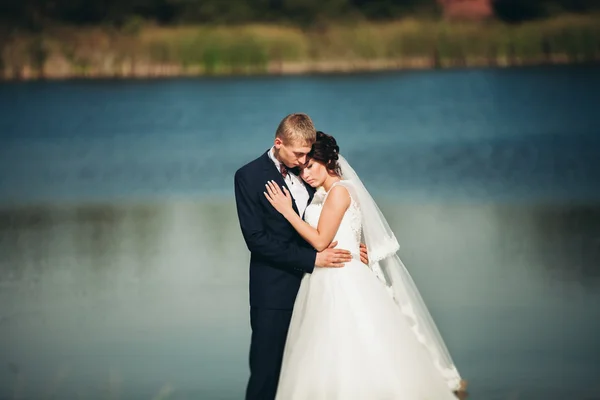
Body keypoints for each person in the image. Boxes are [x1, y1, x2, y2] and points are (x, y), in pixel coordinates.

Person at [264, 131, 466, 399]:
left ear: (326, 160)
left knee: (352, 344)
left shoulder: (338, 192)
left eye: (310, 166)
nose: (305, 175)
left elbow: (322, 240)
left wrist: (286, 210)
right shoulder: (327, 193)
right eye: (301, 170)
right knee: (329, 351)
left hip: (341, 279)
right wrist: (357, 248)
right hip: (325, 276)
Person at [233, 114, 369, 400]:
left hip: (322, 291)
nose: (302, 162)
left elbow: (335, 213)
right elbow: (256, 241)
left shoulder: (309, 169)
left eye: (308, 154)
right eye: (298, 154)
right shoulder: (248, 176)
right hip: (275, 291)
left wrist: (353, 246)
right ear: (278, 143)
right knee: (267, 373)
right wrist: (312, 260)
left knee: (314, 373)